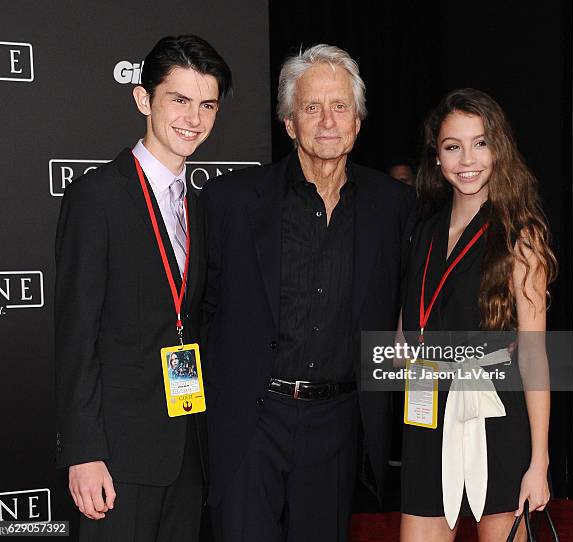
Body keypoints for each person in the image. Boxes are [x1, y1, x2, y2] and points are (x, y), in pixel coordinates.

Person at [201, 44, 416, 541]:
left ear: (358, 121)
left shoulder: (396, 207)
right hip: (251, 420)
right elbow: (199, 313)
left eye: (340, 106)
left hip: (337, 425)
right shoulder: (229, 202)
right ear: (289, 122)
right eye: (311, 107)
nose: (327, 121)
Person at [54, 35, 231, 541]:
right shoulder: (98, 196)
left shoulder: (195, 204)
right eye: (179, 100)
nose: (193, 119)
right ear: (143, 99)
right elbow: (76, 334)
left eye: (207, 105)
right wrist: (84, 453)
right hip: (117, 457)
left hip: (186, 447)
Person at [400, 88, 557, 541]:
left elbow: (534, 355)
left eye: (480, 143)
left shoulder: (520, 236)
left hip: (499, 411)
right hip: (427, 409)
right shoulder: (422, 230)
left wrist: (539, 462)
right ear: (437, 157)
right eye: (453, 146)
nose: (467, 159)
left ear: (499, 149)